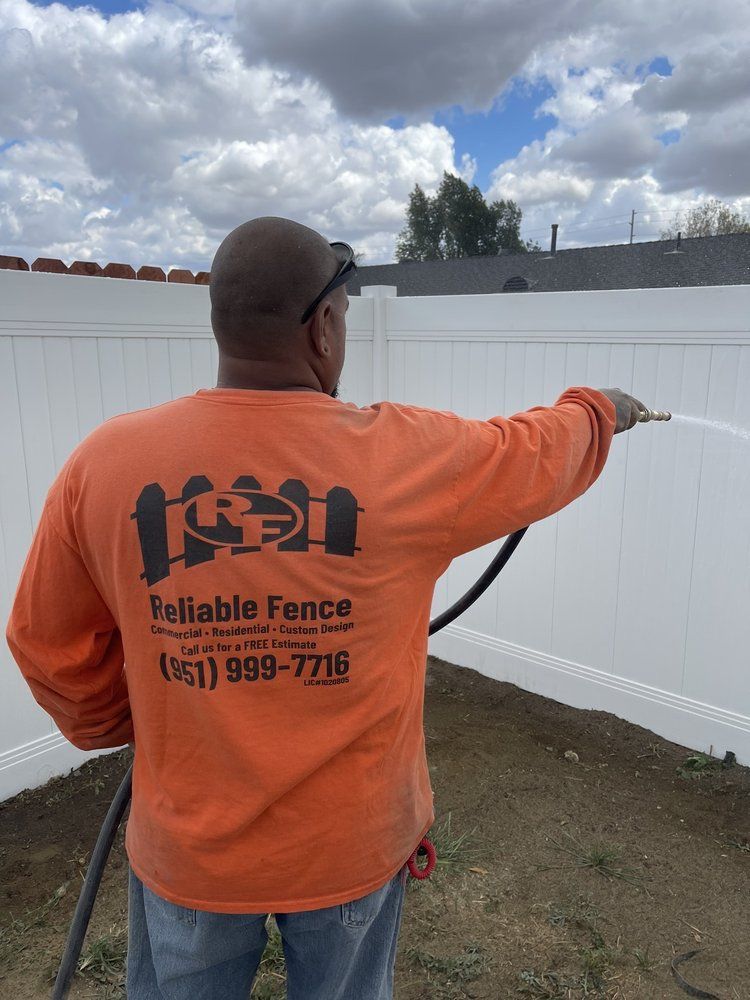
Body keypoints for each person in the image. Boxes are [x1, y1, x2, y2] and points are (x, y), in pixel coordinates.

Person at [6, 216, 644, 1000]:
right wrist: (600, 408)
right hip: (351, 851)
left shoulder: (105, 465)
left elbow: (47, 644)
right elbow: (536, 452)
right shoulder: (406, 457)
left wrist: (132, 720)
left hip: (189, 854)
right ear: (323, 327)